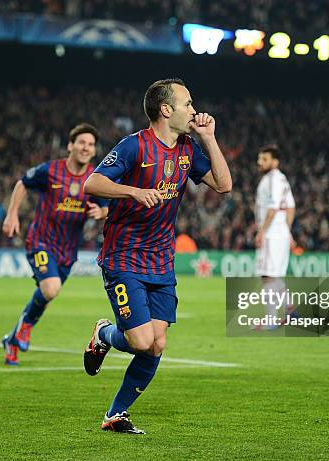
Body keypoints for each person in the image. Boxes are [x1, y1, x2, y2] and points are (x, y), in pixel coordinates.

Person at [82, 78, 232, 434]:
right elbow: (92, 184)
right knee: (140, 340)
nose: (194, 110)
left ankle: (115, 414)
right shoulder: (133, 147)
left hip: (161, 260)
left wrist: (210, 139)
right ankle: (104, 334)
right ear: (166, 110)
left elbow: (224, 185)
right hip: (124, 258)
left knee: (157, 343)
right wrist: (133, 191)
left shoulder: (188, 148)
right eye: (187, 104)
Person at [1, 123, 108, 365]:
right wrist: (12, 213)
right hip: (41, 241)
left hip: (68, 252)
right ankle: (24, 328)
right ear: (70, 145)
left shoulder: (95, 178)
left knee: (48, 294)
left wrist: (100, 213)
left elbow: (106, 207)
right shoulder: (51, 171)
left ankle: (14, 338)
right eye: (81, 142)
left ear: (93, 151)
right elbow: (22, 183)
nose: (86, 147)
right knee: (50, 288)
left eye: (90, 145)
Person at [254, 144, 296, 324]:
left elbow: (272, 208)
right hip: (280, 233)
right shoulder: (282, 179)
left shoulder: (271, 179)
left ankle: (270, 320)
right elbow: (291, 207)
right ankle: (290, 311)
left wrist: (262, 232)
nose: (259, 162)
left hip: (272, 234)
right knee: (275, 274)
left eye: (264, 159)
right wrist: (288, 231)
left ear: (275, 162)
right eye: (259, 159)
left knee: (268, 275)